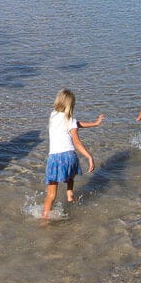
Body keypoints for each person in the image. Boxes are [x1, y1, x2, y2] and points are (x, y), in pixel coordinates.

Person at [42, 89, 103, 218]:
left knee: (51, 195)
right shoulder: (70, 120)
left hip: (54, 158)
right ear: (71, 105)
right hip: (69, 156)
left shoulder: (52, 115)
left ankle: (44, 219)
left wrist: (94, 124)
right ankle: (70, 193)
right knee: (71, 171)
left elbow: (74, 124)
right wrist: (89, 156)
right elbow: (76, 139)